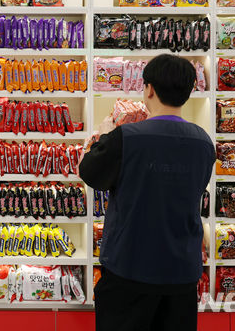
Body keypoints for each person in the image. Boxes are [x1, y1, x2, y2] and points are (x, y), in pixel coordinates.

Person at [79, 54, 214, 331]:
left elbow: (89, 172)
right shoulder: (204, 143)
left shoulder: (125, 137)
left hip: (130, 267)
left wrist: (101, 137)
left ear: (149, 89)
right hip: (181, 271)